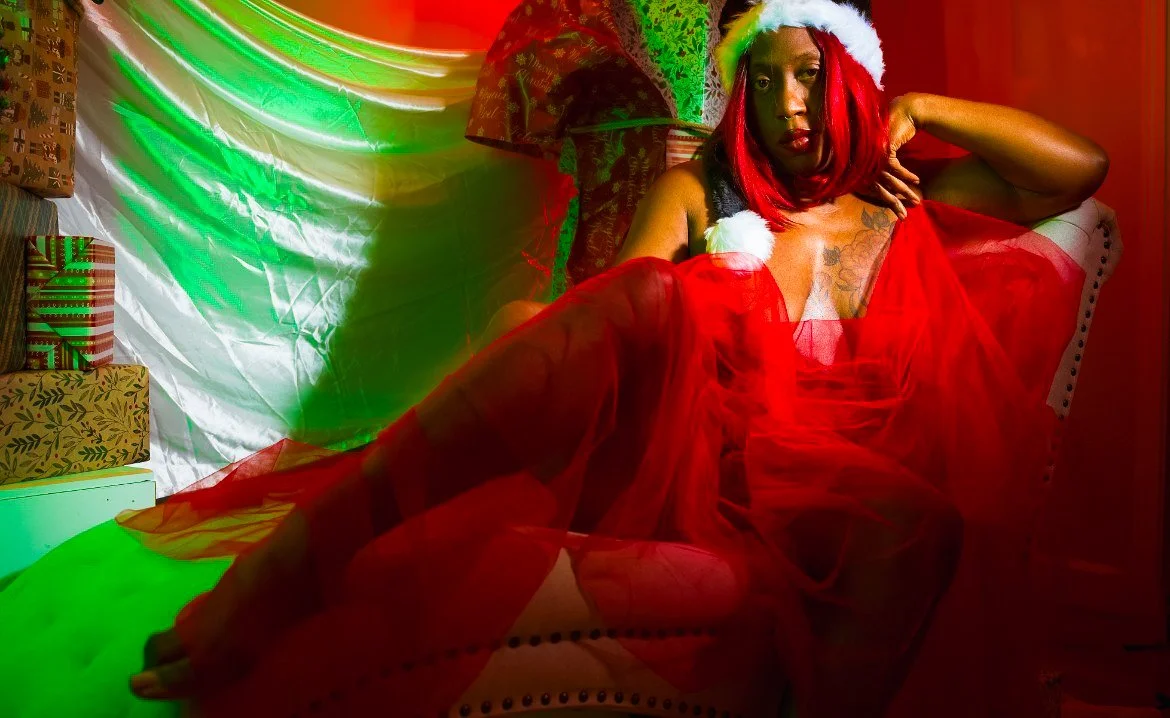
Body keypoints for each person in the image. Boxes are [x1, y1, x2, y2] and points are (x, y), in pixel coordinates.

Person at [124, 0, 1107, 716]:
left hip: (819, 489)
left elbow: (1079, 170)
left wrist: (930, 107)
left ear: (852, 76)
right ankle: (293, 566)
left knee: (917, 521)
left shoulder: (910, 201)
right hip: (680, 451)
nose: (787, 102)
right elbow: (618, 325)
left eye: (809, 72)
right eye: (762, 82)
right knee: (647, 294)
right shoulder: (698, 193)